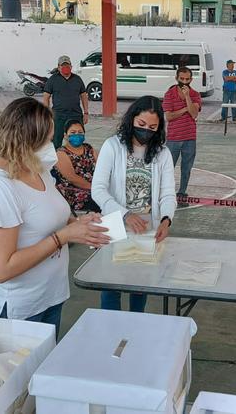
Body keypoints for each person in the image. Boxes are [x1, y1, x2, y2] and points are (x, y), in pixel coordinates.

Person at [0, 98, 110, 333]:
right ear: (27, 141)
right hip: (17, 310)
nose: (51, 144)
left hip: (49, 296)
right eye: (47, 139)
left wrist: (78, 225)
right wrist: (62, 236)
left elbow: (51, 215)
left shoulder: (37, 170)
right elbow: (2, 269)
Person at [92, 96, 176, 312]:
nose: (146, 130)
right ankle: (110, 331)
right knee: (111, 286)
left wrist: (166, 219)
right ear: (131, 120)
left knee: (140, 285)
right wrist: (125, 214)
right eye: (141, 125)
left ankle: (135, 326)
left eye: (153, 127)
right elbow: (98, 190)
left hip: (147, 229)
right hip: (115, 226)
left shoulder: (163, 154)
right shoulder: (112, 146)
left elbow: (167, 194)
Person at [162, 67, 201, 207]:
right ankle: (166, 193)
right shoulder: (169, 94)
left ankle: (182, 192)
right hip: (173, 137)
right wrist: (185, 109)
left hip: (190, 137)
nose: (184, 81)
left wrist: (187, 98)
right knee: (168, 167)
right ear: (177, 78)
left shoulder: (195, 94)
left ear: (191, 79)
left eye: (187, 79)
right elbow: (169, 116)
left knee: (186, 168)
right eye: (182, 79)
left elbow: (194, 114)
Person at [43, 55, 89, 149]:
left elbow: (83, 96)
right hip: (58, 115)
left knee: (77, 139)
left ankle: (75, 159)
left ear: (71, 66)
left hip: (75, 114)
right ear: (59, 67)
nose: (65, 68)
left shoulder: (77, 79)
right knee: (56, 141)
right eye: (63, 66)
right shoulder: (53, 79)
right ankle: (57, 160)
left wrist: (86, 112)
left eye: (67, 65)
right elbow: (46, 97)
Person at [55, 119, 100, 212]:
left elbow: (102, 166)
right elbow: (72, 178)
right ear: (65, 135)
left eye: (80, 132)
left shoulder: (89, 148)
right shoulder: (61, 153)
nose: (77, 135)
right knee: (101, 201)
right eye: (73, 132)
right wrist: (95, 188)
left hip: (94, 187)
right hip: (74, 192)